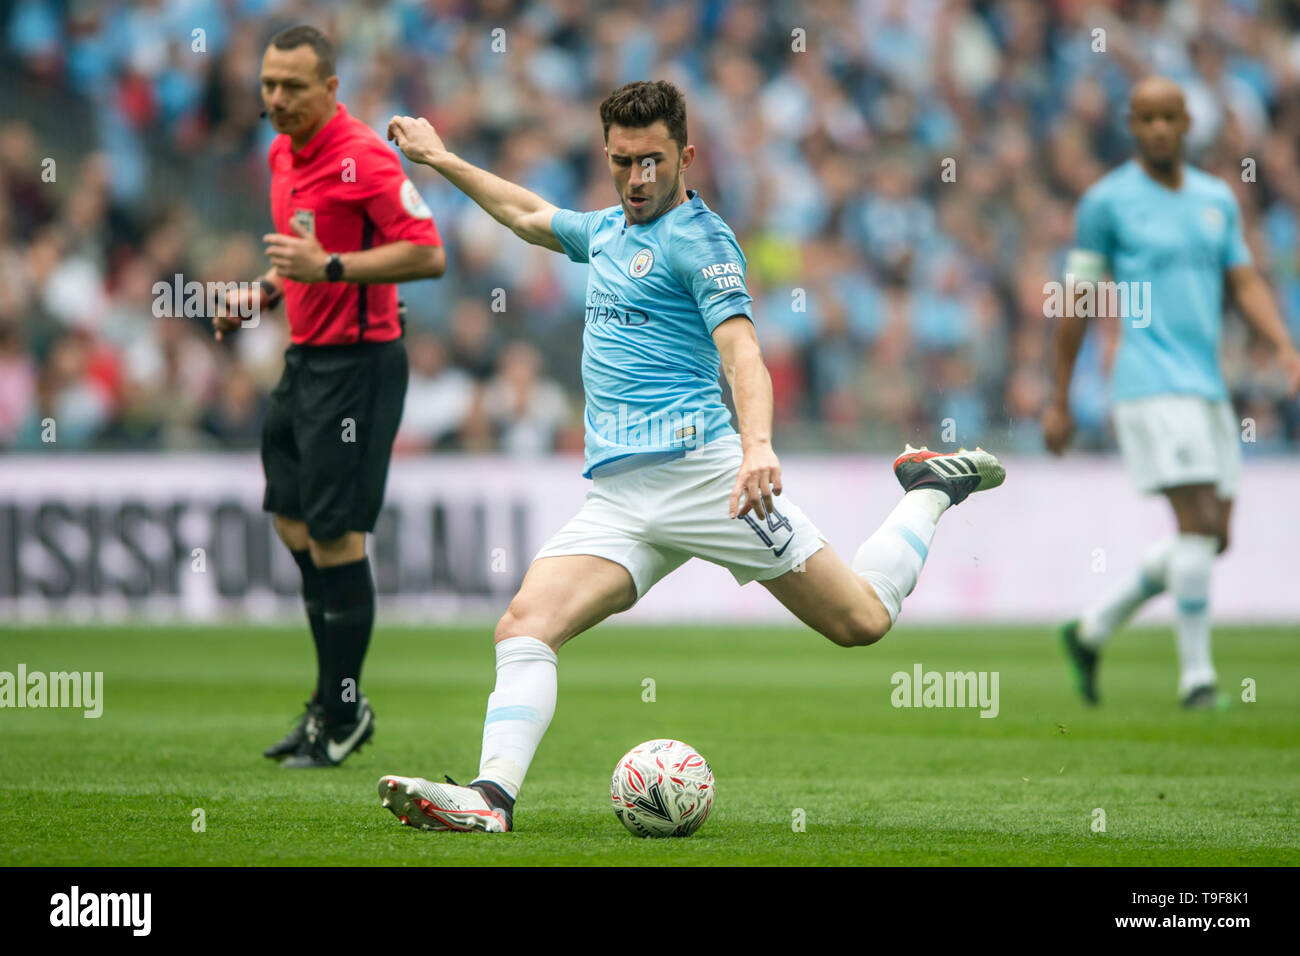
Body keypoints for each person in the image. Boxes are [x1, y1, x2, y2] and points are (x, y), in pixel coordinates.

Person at [377, 80, 1004, 831]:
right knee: (523, 626)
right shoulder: (607, 229)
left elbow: (743, 354)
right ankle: (490, 800)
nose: (636, 179)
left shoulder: (701, 241)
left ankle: (928, 489)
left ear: (685, 156)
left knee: (861, 622)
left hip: (706, 477)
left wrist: (758, 446)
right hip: (617, 498)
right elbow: (526, 214)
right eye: (621, 162)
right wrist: (441, 158)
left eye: (651, 162)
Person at [215, 25, 446, 766]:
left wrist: (334, 268)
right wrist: (262, 290)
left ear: (330, 89)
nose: (276, 99)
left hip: (360, 365)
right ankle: (334, 702)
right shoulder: (283, 151)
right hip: (304, 359)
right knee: (290, 521)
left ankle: (340, 710)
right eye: (268, 85)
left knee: (337, 539)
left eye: (292, 87)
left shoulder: (364, 159)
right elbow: (302, 259)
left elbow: (428, 252)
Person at [1044, 76, 1300, 709]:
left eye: (1170, 117)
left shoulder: (1216, 200)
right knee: (1195, 524)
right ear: (1133, 125)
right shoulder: (1105, 204)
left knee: (1215, 536)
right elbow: (1078, 299)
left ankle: (1092, 629)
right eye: (1147, 118)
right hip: (1147, 384)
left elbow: (1244, 282)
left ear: (1188, 124)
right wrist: (1058, 398)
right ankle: (1198, 681)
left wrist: (1284, 345)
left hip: (1206, 385)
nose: (1159, 128)